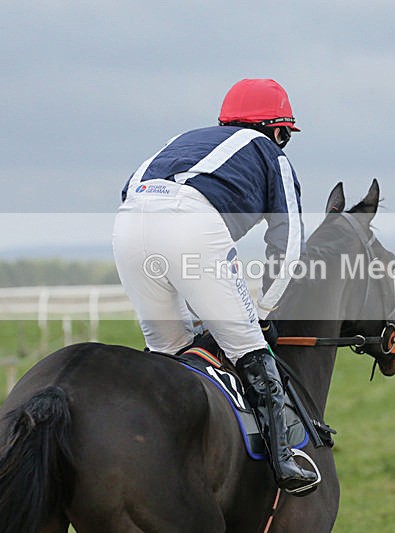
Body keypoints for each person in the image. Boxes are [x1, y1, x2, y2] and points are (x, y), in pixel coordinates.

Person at [112, 78, 318, 493]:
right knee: (249, 348)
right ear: (278, 130)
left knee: (168, 352)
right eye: (285, 136)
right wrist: (263, 313)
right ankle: (283, 463)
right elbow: (289, 240)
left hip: (128, 222)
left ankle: (161, 456)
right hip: (191, 223)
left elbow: (131, 189)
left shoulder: (185, 138)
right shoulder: (270, 155)